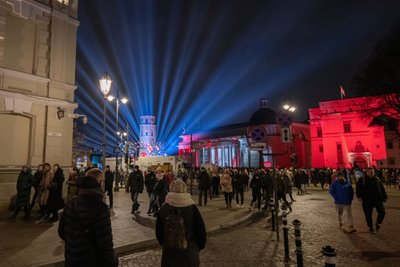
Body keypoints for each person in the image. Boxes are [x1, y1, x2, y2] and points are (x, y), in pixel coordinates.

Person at [58, 173, 118, 267]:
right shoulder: (100, 207)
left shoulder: (71, 204)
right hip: (91, 261)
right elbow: (105, 245)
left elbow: (61, 232)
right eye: (103, 181)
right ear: (99, 182)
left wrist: (75, 244)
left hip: (71, 260)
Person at [156, 179, 206, 267]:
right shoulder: (192, 207)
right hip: (189, 249)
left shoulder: (164, 207)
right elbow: (200, 230)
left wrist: (164, 242)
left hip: (169, 249)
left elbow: (159, 230)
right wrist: (198, 246)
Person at [356, 167, 388, 233]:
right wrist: (359, 196)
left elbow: (382, 188)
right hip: (367, 200)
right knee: (368, 214)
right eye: (371, 172)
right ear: (366, 172)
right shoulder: (362, 180)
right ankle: (370, 227)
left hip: (377, 199)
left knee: (382, 212)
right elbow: (358, 189)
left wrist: (385, 196)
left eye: (373, 171)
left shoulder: (377, 179)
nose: (373, 173)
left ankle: (378, 223)